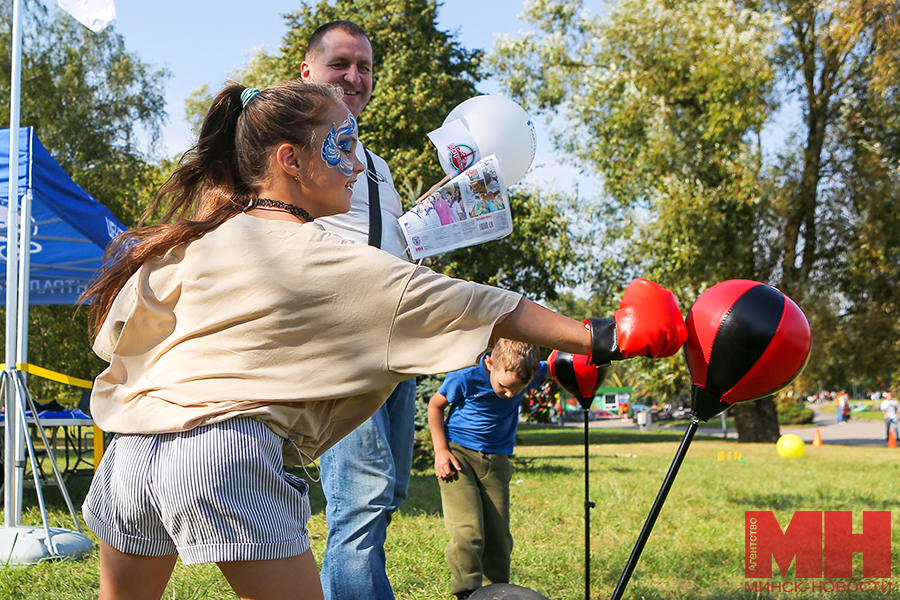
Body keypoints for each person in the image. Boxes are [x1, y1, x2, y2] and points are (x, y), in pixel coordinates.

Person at [78, 79, 686, 600]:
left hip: (132, 452)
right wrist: (601, 335)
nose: (359, 165)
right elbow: (483, 305)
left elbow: (121, 335)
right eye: (343, 147)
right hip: (222, 454)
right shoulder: (328, 258)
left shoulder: (192, 239)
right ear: (290, 159)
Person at [298, 20, 418, 600]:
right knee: (361, 497)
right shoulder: (286, 148)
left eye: (364, 67)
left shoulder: (376, 165)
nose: (354, 76)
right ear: (308, 72)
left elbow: (386, 241)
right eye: (340, 64)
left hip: (396, 344)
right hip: (341, 345)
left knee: (387, 493)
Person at [427, 340, 548, 600]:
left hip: (497, 461)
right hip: (457, 458)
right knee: (468, 531)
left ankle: (497, 592)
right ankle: (467, 593)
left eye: (519, 390)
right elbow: (435, 406)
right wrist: (441, 451)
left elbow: (563, 364)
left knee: (499, 536)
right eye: (504, 387)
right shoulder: (465, 376)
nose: (510, 395)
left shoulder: (530, 371)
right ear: (491, 363)